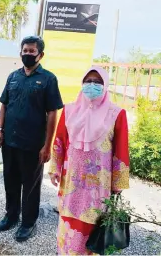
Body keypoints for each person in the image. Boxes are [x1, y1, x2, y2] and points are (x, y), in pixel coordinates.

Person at [48, 66, 130, 255]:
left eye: (98, 82)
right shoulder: (69, 110)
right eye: (88, 81)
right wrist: (55, 168)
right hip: (70, 184)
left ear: (106, 85)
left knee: (94, 226)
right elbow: (59, 140)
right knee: (68, 226)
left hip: (98, 187)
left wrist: (118, 183)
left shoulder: (116, 113)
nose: (92, 85)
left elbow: (121, 150)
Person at [0, 36, 64, 242]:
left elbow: (52, 113)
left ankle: (28, 222)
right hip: (10, 141)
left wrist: (47, 145)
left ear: (40, 55)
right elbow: (4, 104)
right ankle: (11, 215)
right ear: (20, 52)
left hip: (33, 144)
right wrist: (0, 131)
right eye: (25, 50)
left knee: (31, 185)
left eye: (32, 51)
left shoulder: (48, 79)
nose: (28, 54)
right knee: (10, 180)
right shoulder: (13, 77)